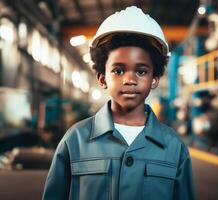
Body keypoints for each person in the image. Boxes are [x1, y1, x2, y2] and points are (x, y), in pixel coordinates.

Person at [42, 6, 196, 200]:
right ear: (102, 78)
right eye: (118, 71)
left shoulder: (174, 147)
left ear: (155, 79)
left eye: (141, 71)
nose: (129, 80)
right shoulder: (76, 140)